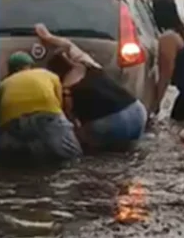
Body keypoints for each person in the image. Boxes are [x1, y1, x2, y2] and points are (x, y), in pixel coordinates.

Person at [34, 24, 147, 152]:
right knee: (131, 152)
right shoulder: (87, 64)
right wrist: (48, 37)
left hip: (109, 123)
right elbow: (68, 45)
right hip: (136, 112)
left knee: (92, 150)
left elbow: (69, 122)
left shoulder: (66, 91)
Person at [0, 51, 82, 160]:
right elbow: (59, 104)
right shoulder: (48, 74)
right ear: (30, 65)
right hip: (46, 116)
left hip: (13, 123)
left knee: (19, 159)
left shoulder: (4, 84)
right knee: (72, 155)